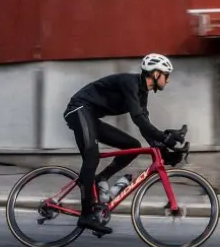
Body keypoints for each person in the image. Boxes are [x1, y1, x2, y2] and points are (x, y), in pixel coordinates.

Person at [63, 52, 180, 236]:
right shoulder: (130, 83)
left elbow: (145, 126)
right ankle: (85, 215)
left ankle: (100, 178)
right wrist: (164, 138)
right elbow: (137, 118)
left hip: (90, 117)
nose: (168, 79)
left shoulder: (142, 94)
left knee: (132, 146)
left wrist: (165, 151)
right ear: (156, 73)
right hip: (79, 109)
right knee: (91, 156)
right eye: (166, 75)